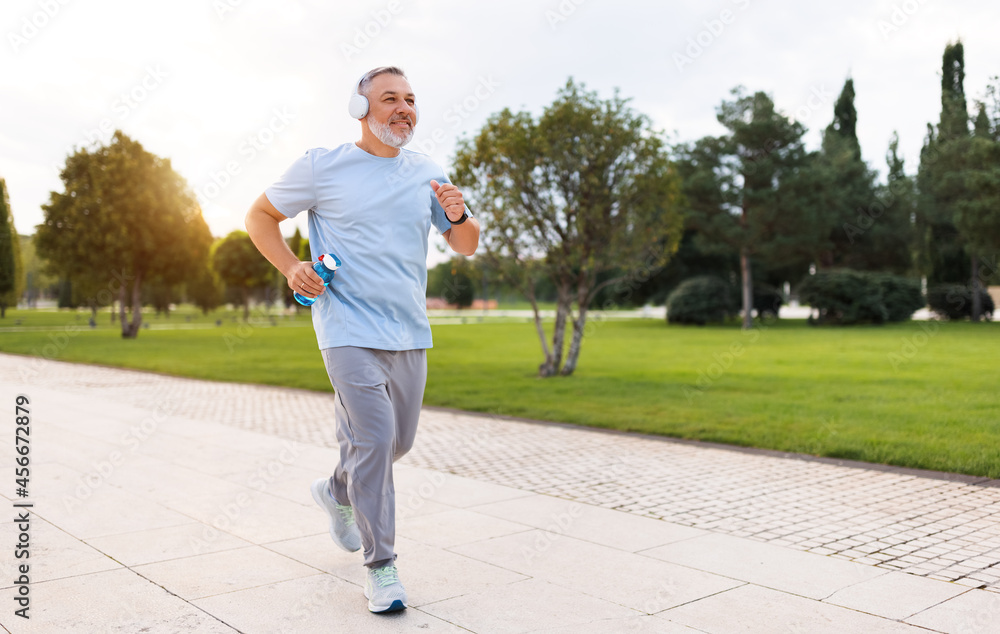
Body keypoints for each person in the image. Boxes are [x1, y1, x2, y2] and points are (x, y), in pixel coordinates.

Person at [244, 66, 479, 613]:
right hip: (345, 327)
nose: (404, 108)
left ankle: (337, 490)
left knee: (397, 443)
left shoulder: (428, 173)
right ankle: (382, 568)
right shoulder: (322, 166)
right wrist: (289, 266)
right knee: (375, 441)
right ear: (361, 109)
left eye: (412, 100)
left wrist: (458, 213)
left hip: (409, 330)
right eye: (390, 98)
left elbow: (465, 243)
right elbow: (259, 216)